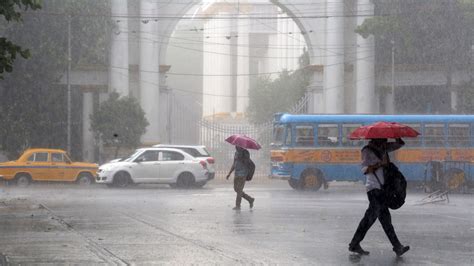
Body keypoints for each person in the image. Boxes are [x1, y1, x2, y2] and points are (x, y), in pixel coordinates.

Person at [348, 138, 410, 257]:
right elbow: (365, 169)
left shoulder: (384, 148)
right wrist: (379, 164)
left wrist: (398, 137)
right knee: (372, 219)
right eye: (383, 139)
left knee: (383, 219)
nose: (385, 141)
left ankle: (397, 247)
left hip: (382, 189)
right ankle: (396, 246)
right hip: (373, 188)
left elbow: (399, 144)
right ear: (376, 139)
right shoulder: (367, 150)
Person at [226, 146, 255, 210]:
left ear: (240, 146)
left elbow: (247, 162)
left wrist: (242, 157)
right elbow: (234, 163)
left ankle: (238, 206)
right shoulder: (236, 153)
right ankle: (250, 199)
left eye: (237, 145)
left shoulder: (245, 152)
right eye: (235, 145)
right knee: (236, 189)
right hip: (236, 174)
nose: (235, 146)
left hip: (243, 174)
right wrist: (229, 173)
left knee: (239, 190)